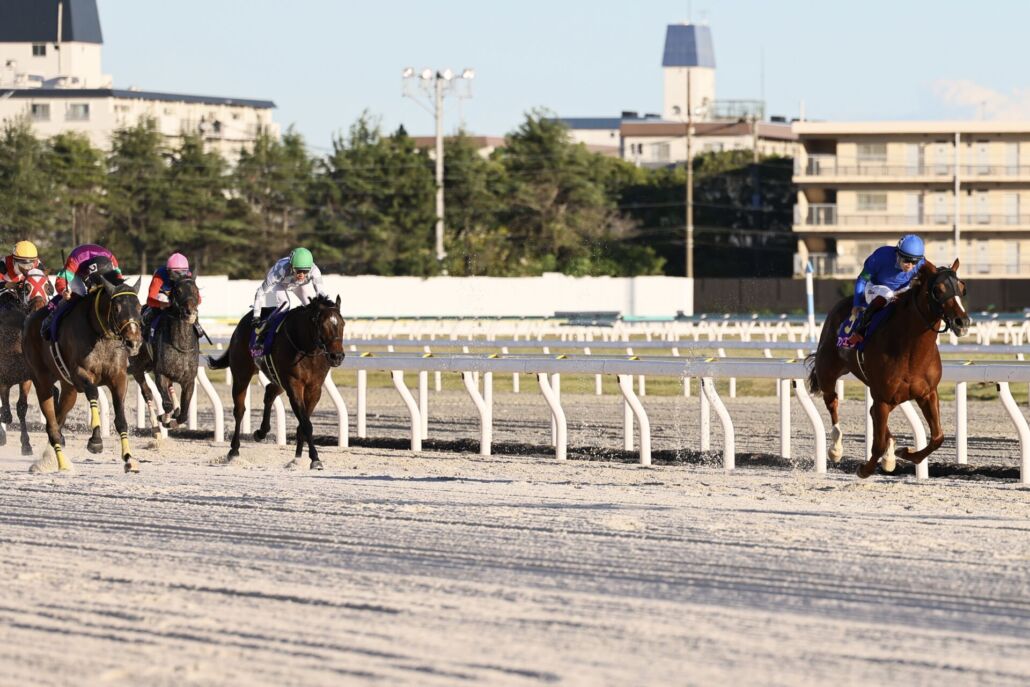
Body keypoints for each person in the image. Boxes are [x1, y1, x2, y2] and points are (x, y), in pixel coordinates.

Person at [846, 234, 925, 346]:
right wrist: (857, 303)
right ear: (898, 253)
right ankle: (860, 330)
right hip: (874, 287)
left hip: (901, 291)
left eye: (915, 262)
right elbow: (863, 279)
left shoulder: (922, 263)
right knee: (887, 294)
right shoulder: (880, 256)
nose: (910, 266)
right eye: (907, 260)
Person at [42, 244, 123, 341]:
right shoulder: (75, 260)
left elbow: (120, 282)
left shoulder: (112, 260)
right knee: (80, 292)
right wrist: (63, 291)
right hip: (77, 270)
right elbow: (61, 279)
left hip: (94, 269)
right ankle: (51, 318)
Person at [251, 247, 328, 345]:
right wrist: (256, 316)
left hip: (298, 285)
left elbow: (320, 293)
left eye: (305, 271)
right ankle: (263, 333)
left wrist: (327, 308)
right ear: (291, 266)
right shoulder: (279, 271)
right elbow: (260, 292)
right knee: (285, 305)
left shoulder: (314, 270)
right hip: (280, 284)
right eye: (298, 270)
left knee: (311, 306)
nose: (301, 275)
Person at [143, 252, 198, 336]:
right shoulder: (160, 275)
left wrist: (192, 307)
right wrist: (163, 304)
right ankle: (151, 329)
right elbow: (150, 300)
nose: (179, 276)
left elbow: (198, 299)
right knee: (163, 298)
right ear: (168, 271)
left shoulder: (188, 276)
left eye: (182, 272)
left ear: (187, 271)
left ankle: (197, 326)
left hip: (178, 297)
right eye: (175, 273)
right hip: (163, 295)